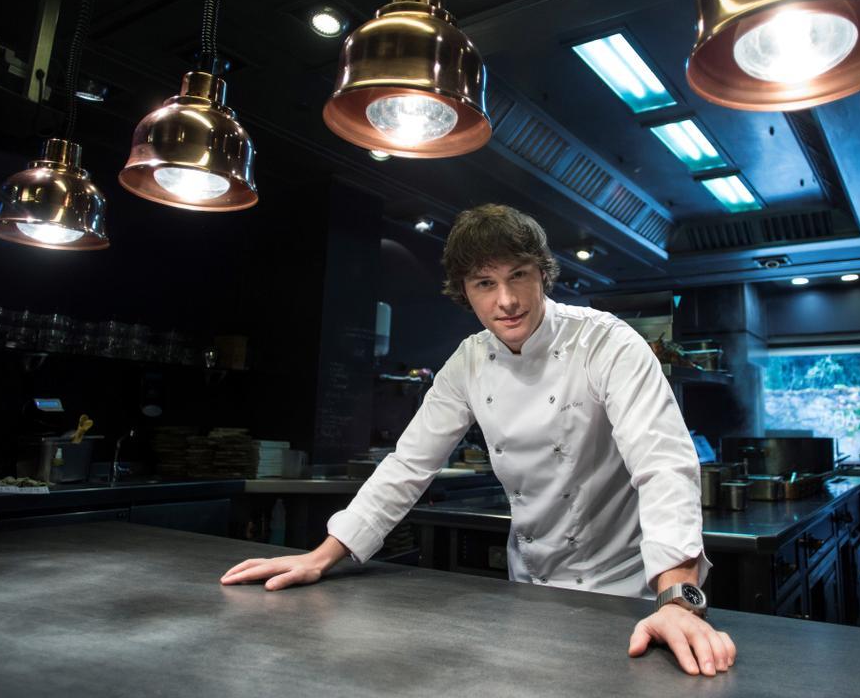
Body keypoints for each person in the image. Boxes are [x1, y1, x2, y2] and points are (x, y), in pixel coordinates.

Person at [221, 204, 736, 677]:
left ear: (543, 275)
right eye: (484, 283)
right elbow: (408, 465)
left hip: (629, 590)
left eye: (518, 277)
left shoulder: (606, 342)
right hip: (530, 587)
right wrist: (322, 556)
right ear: (463, 291)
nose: (506, 301)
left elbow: (662, 463)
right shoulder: (468, 362)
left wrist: (677, 600)